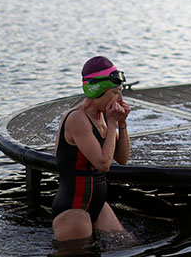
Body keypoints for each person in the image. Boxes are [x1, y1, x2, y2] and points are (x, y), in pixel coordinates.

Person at [51, 56, 132, 241]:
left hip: (97, 204)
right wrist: (112, 123)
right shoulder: (77, 119)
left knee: (126, 244)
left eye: (121, 92)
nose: (120, 99)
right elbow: (103, 163)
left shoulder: (102, 116)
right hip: (73, 209)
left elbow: (122, 158)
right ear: (98, 92)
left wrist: (122, 124)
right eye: (115, 93)